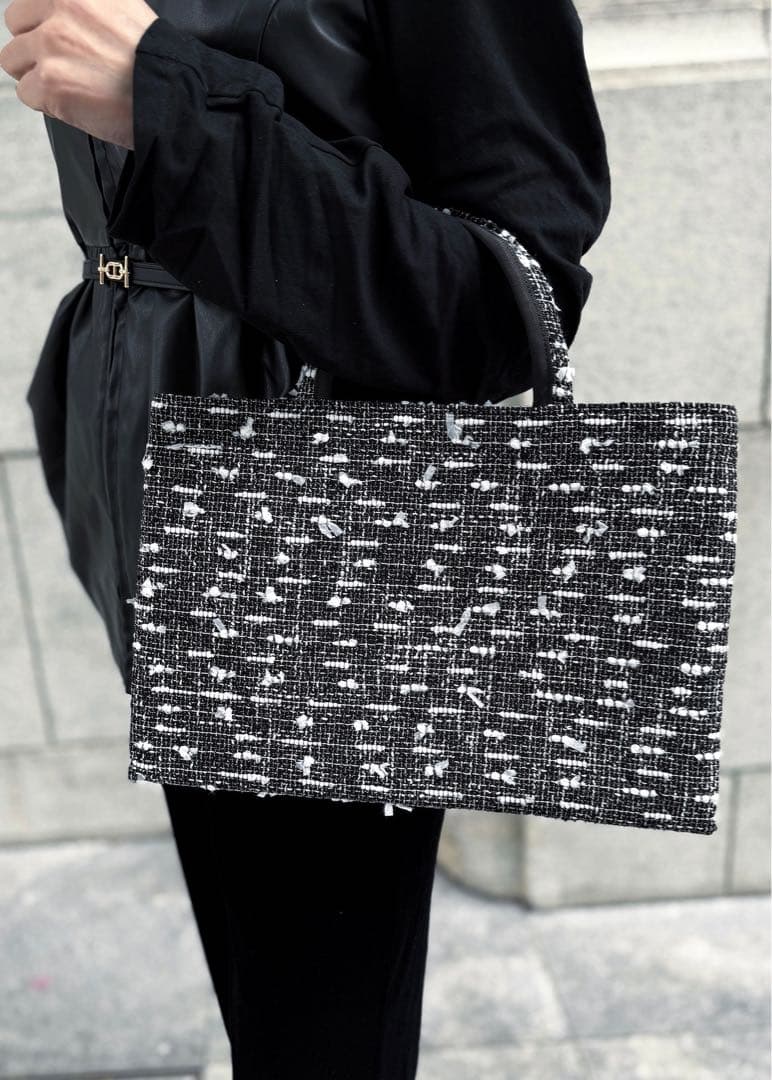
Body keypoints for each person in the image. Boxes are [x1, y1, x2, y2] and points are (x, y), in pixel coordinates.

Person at [1, 1, 611, 1076]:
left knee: (319, 1029)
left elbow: (501, 301)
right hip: (146, 487)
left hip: (329, 547)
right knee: (264, 984)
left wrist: (171, 104)